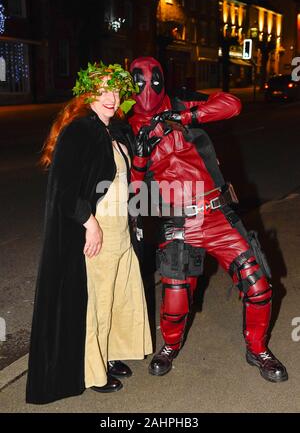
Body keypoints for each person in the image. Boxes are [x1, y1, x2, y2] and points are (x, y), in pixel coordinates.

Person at [128, 56, 288, 383]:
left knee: (259, 287)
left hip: (217, 216)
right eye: (140, 81)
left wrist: (187, 114)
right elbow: (132, 187)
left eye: (155, 80)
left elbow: (231, 104)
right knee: (174, 301)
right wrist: (141, 155)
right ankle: (170, 346)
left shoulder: (180, 100)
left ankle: (257, 349)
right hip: (178, 223)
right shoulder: (127, 124)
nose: (148, 88)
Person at [26, 61, 152, 404]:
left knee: (117, 297)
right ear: (89, 94)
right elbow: (65, 187)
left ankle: (109, 354)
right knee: (95, 304)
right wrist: (90, 223)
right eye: (103, 91)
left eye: (116, 90)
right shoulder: (81, 130)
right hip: (98, 232)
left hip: (121, 231)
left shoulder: (115, 129)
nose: (111, 97)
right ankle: (93, 370)